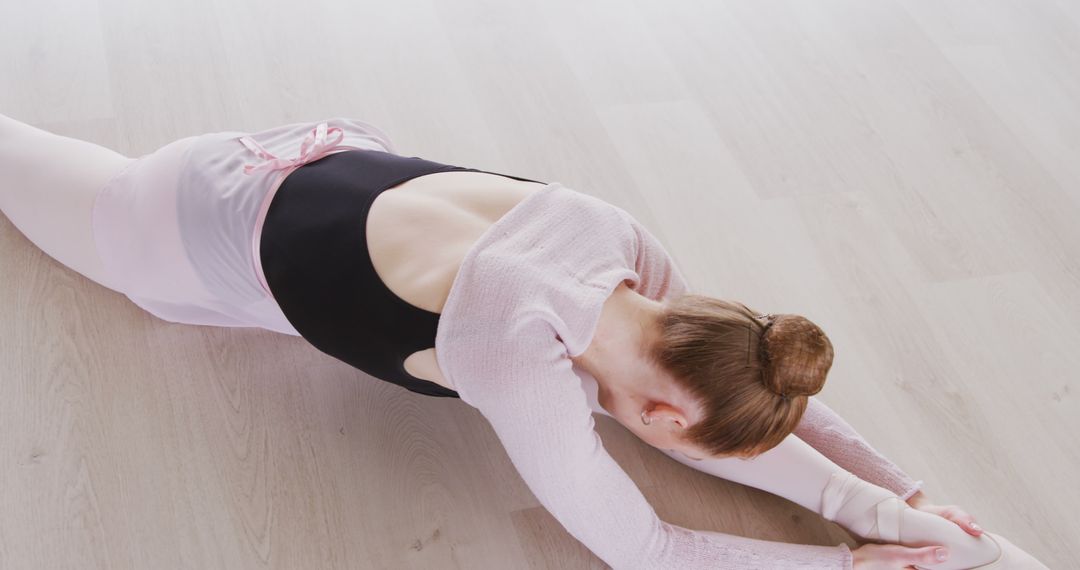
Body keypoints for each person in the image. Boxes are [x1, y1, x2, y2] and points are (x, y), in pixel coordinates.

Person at [0, 113, 1047, 569]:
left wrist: (894, 501)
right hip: (171, 226)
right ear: (670, 418)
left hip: (287, 160)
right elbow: (646, 550)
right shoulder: (514, 348)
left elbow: (758, 389)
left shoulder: (623, 249)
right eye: (684, 435)